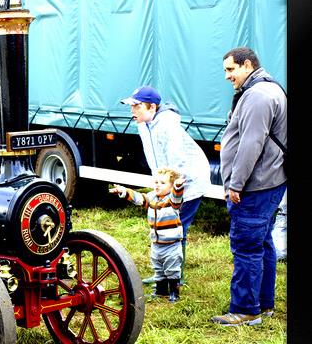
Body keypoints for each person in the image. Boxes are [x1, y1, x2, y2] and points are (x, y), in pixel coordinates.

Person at [211, 47, 287, 327]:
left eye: (231, 69)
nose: (228, 76)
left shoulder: (257, 95)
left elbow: (251, 144)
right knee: (262, 243)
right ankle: (263, 304)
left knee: (246, 247)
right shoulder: (267, 89)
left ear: (247, 65)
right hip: (267, 182)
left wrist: (235, 184)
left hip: (255, 186)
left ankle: (245, 309)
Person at [120, 86, 210, 286]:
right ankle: (163, 274)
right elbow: (154, 158)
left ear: (152, 107)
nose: (132, 111)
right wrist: (158, 184)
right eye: (131, 106)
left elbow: (177, 162)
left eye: (137, 106)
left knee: (176, 227)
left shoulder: (168, 125)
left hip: (189, 180)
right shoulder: (144, 125)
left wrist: (170, 188)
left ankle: (175, 278)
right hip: (168, 181)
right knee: (161, 223)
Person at [110, 168, 185, 302]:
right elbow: (139, 198)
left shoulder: (172, 201)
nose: (157, 185)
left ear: (171, 186)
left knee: (172, 267)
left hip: (171, 244)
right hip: (156, 243)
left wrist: (178, 186)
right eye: (156, 182)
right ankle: (161, 291)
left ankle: (174, 292)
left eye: (162, 183)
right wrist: (124, 191)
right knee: (158, 266)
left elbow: (177, 196)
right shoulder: (151, 197)